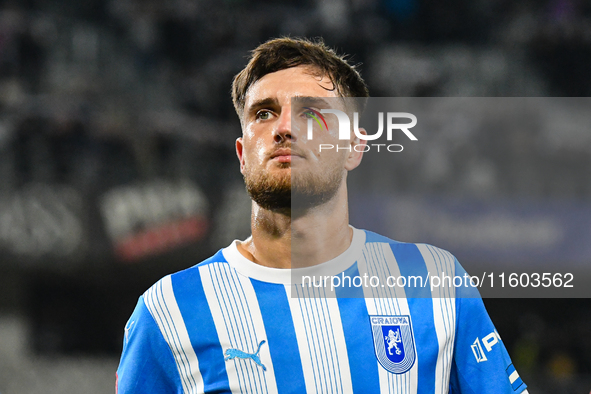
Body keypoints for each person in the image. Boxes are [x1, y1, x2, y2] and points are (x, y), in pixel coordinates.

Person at [116, 37, 528, 394]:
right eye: (263, 113)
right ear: (243, 154)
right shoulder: (168, 311)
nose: (284, 128)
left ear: (353, 147)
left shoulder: (435, 279)